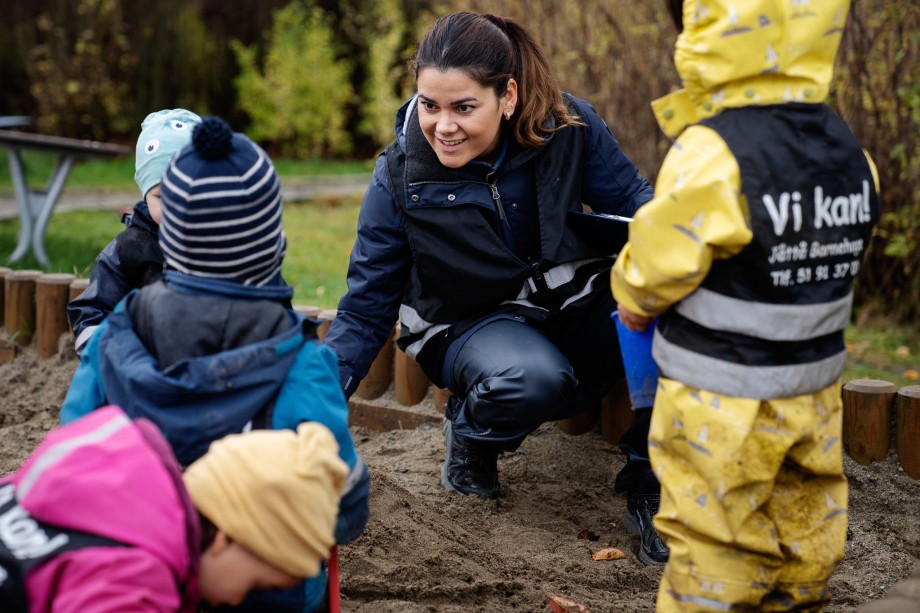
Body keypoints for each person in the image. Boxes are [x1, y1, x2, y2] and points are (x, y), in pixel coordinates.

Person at [323, 10, 667, 565]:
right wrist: (317, 401)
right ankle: (471, 440)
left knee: (677, 309)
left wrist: (679, 252)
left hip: (566, 298)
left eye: (464, 107)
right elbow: (365, 309)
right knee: (533, 380)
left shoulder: (568, 127)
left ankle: (653, 485)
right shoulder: (399, 175)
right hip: (466, 319)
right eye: (429, 105)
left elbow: (634, 203)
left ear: (507, 96)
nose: (442, 126)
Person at [611, 0, 880, 609]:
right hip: (814, 398)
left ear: (714, 28)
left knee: (715, 543)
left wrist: (631, 299)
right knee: (805, 529)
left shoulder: (714, 150)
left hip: (720, 402)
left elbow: (659, 257)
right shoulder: (845, 145)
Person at [59, 116, 370, 612]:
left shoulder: (115, 337)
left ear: (171, 240)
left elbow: (74, 455)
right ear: (273, 246)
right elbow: (343, 510)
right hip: (264, 594)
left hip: (139, 582)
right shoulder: (302, 363)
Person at [0, 405, 347, 612]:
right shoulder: (134, 580)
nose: (244, 600)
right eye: (260, 583)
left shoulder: (103, 493)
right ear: (227, 538)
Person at [68, 108, 202, 356]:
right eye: (162, 196)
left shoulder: (228, 241)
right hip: (141, 369)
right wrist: (113, 357)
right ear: (145, 195)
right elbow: (92, 310)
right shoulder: (128, 249)